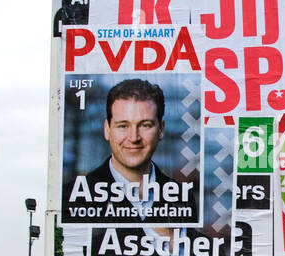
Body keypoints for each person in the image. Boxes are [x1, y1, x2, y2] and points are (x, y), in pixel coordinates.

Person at [63, 78, 197, 225]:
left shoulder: (181, 197)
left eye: (145, 125)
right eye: (123, 126)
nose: (134, 138)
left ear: (161, 129)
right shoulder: (75, 195)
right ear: (107, 130)